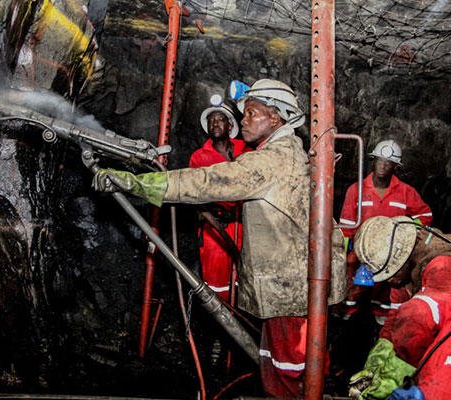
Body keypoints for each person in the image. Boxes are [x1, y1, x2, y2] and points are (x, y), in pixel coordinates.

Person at [92, 79, 347, 397]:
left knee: (290, 376)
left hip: (290, 291)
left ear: (276, 117)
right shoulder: (291, 153)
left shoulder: (270, 161)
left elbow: (207, 182)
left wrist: (137, 184)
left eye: (251, 112)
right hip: (293, 288)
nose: (244, 120)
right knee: (282, 368)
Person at [348, 215, 451, 399]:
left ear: (401, 258)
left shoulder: (443, 269)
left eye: (389, 274)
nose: (390, 280)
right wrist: (377, 362)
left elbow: (417, 320)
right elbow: (396, 319)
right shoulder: (408, 265)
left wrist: (392, 378)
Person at [338, 140, 433, 324]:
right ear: (373, 161)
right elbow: (346, 226)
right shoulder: (356, 190)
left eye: (388, 162)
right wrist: (343, 255)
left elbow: (426, 215)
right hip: (361, 252)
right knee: (352, 287)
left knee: (384, 290)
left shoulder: (405, 192)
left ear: (395, 167)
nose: (383, 165)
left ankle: (381, 321)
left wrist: (406, 229)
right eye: (379, 160)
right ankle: (344, 317)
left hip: (390, 254)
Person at [190, 94, 249, 302]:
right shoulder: (199, 157)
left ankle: (246, 324)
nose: (214, 123)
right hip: (214, 229)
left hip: (246, 227)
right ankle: (220, 328)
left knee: (246, 281)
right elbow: (196, 199)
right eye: (210, 120)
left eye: (220, 118)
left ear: (230, 124)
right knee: (217, 286)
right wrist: (221, 233)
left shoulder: (245, 149)